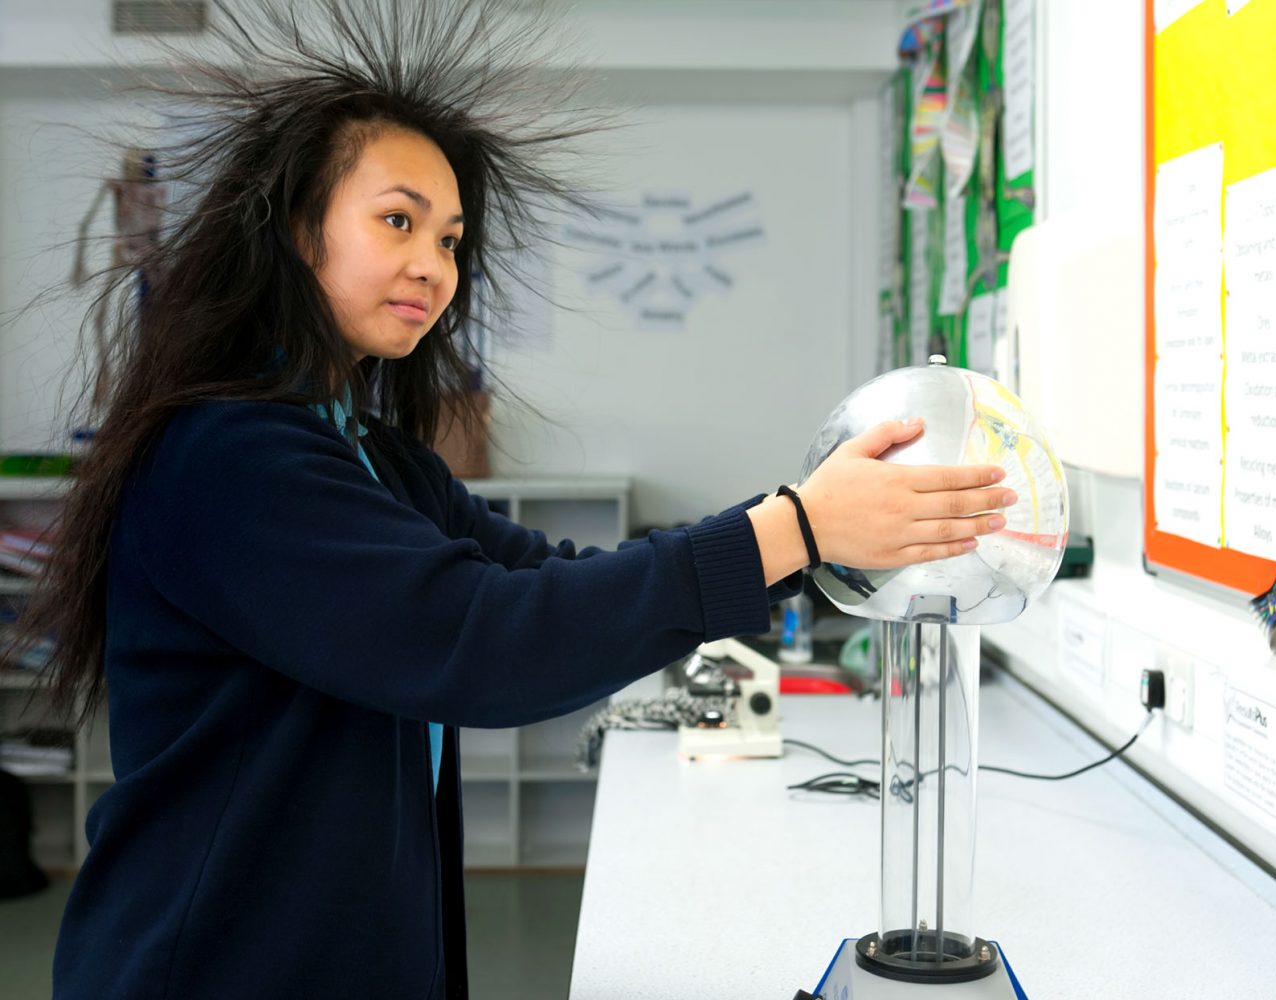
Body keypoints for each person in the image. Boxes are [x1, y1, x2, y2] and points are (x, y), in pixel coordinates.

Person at [15, 3, 1017, 999]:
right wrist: (792, 526)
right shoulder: (226, 461)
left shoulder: (373, 457)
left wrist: (809, 536)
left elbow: (549, 579)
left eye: (451, 239)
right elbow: (485, 642)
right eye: (398, 220)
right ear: (292, 230)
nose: (434, 267)